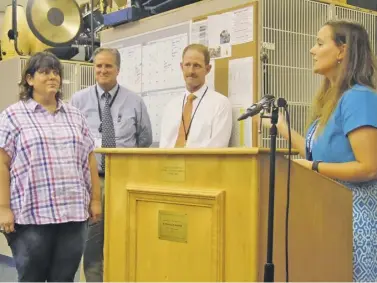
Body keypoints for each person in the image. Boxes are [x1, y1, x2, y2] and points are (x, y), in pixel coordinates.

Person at [264, 20, 377, 281]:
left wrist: (313, 168)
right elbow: (317, 153)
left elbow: (369, 166)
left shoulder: (359, 98)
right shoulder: (334, 101)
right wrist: (281, 127)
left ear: (342, 51)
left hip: (355, 222)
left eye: (319, 43)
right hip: (331, 213)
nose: (312, 51)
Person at [0, 52, 101, 282]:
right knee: (32, 278)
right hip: (31, 217)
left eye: (56, 72)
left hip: (73, 214)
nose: (52, 77)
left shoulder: (75, 115)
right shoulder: (13, 116)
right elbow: (2, 164)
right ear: (29, 79)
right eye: (45, 72)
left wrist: (95, 200)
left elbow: (89, 159)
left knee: (64, 278)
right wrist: (3, 208)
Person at [71, 47, 153, 282]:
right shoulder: (78, 100)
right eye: (99, 66)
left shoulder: (134, 101)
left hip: (125, 183)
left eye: (108, 66)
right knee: (92, 245)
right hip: (92, 183)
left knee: (125, 240)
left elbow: (144, 140)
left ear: (118, 69)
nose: (103, 70)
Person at [159, 43, 232, 148]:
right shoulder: (171, 106)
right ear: (181, 67)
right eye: (187, 65)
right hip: (169, 163)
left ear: (207, 69)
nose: (191, 71)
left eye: (197, 65)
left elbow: (217, 148)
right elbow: (164, 146)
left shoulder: (220, 104)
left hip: (202, 164)